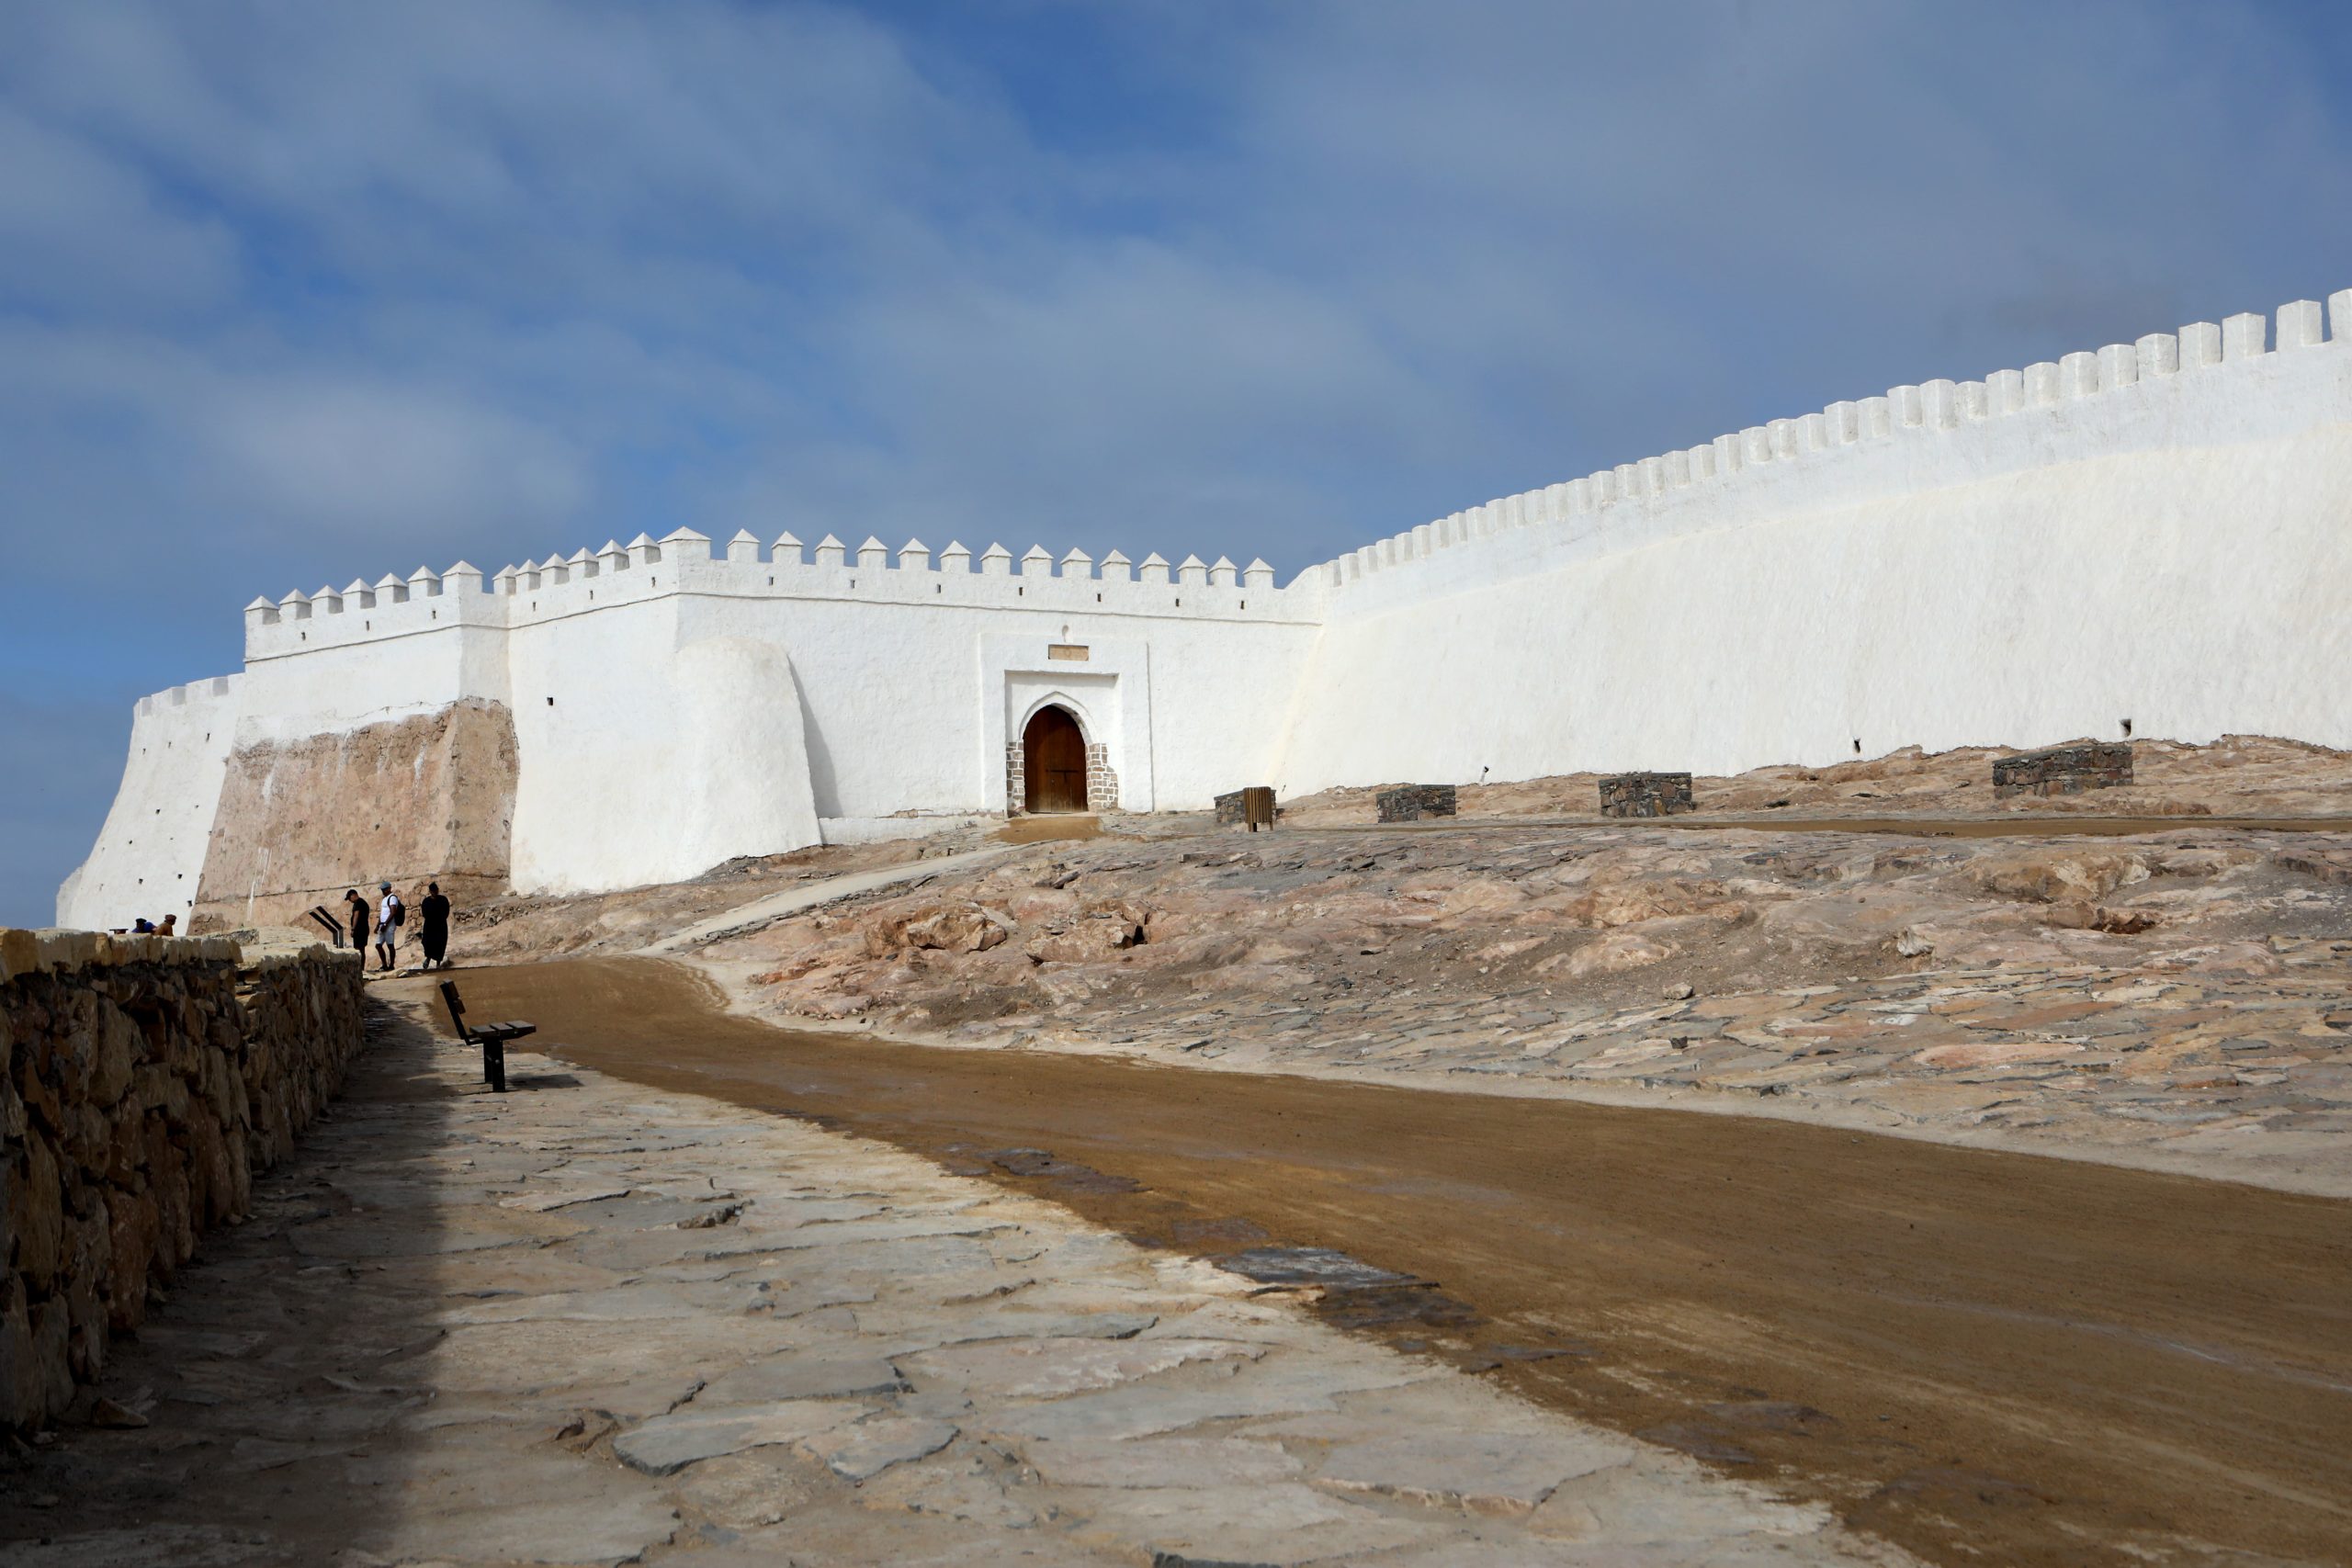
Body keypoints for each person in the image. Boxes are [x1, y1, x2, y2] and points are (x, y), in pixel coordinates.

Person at [418, 881, 452, 970]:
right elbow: (425, 913)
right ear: (430, 891)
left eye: (436, 890)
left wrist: (439, 918)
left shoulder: (443, 900)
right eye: (433, 891)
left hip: (441, 926)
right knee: (429, 943)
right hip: (430, 926)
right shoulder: (426, 901)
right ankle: (428, 959)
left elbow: (446, 912)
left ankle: (438, 963)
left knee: (440, 944)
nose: (435, 892)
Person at [375, 881, 404, 973]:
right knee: (378, 945)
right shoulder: (384, 899)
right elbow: (382, 914)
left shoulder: (392, 898)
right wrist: (378, 925)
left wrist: (385, 924)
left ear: (388, 889)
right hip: (383, 924)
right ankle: (384, 965)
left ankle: (391, 965)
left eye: (384, 889)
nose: (383, 891)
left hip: (389, 924)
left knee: (390, 945)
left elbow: (393, 912)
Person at [345, 889, 370, 953]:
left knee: (358, 950)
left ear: (353, 895)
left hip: (359, 930)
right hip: (364, 929)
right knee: (362, 950)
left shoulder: (358, 903)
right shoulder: (363, 902)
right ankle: (361, 962)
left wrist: (353, 929)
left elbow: (356, 916)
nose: (350, 901)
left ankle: (360, 962)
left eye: (349, 898)